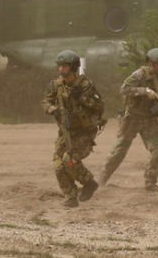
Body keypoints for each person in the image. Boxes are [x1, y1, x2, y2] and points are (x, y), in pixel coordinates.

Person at [99, 47, 158, 191]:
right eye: (155, 64)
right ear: (149, 63)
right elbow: (124, 89)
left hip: (150, 120)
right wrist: (145, 91)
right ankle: (101, 181)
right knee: (119, 151)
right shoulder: (139, 75)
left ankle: (150, 182)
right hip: (132, 118)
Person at [41, 50, 106, 207]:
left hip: (84, 132)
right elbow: (45, 101)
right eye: (60, 66)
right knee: (58, 165)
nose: (61, 70)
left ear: (73, 67)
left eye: (65, 66)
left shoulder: (86, 85)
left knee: (69, 160)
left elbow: (99, 106)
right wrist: (52, 109)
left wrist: (82, 98)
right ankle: (70, 196)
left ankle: (88, 183)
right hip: (66, 131)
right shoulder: (56, 85)